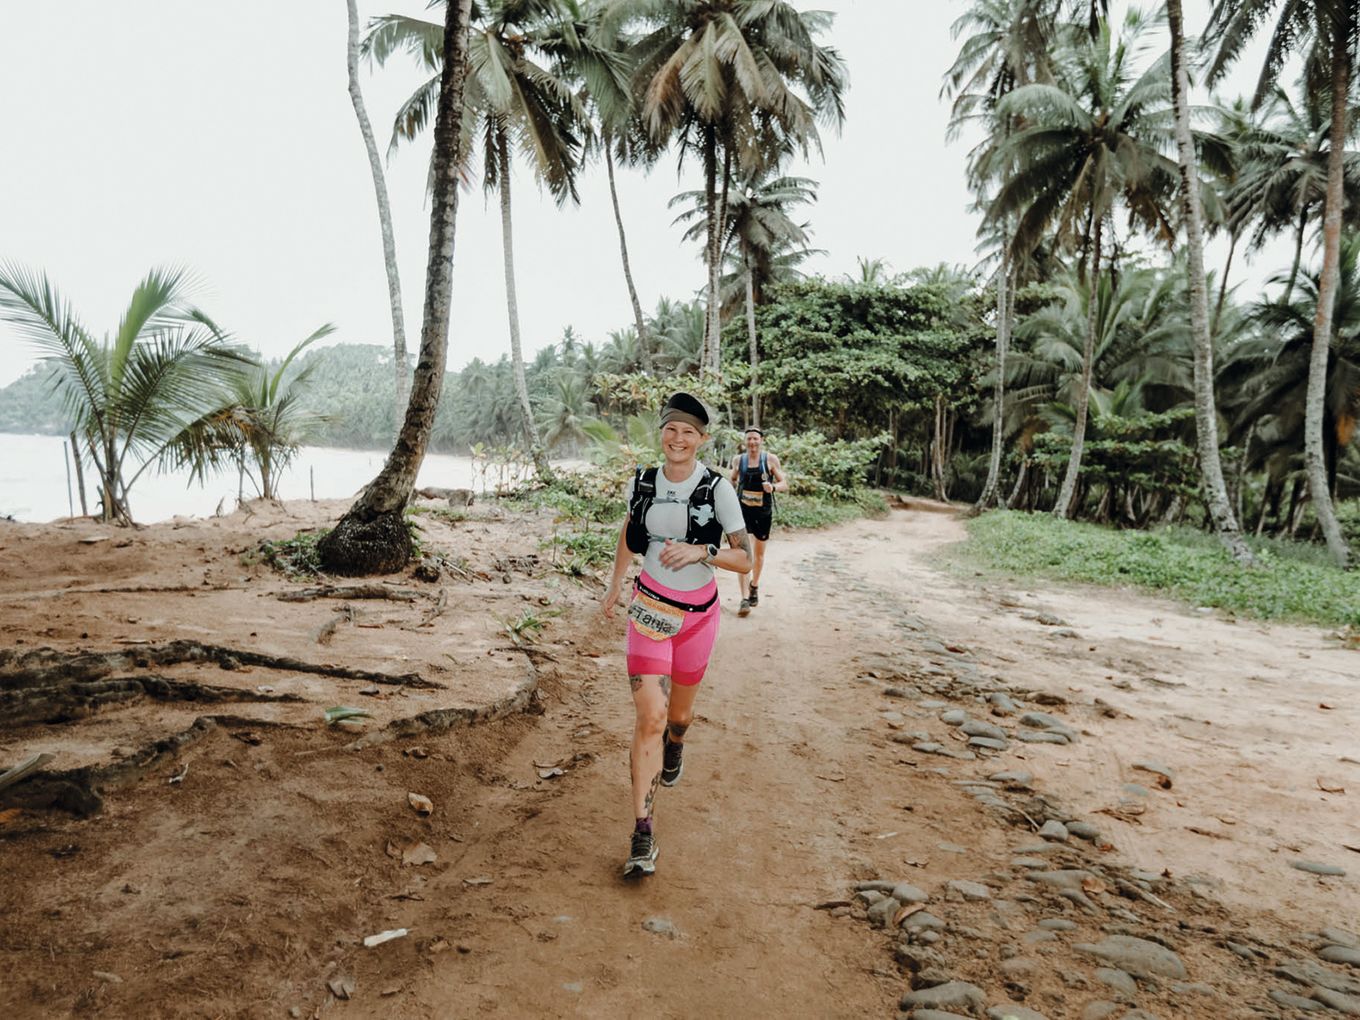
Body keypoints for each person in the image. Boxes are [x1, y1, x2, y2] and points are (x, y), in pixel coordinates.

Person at [602, 392, 752, 878]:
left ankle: (678, 742)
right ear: (662, 433)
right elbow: (630, 531)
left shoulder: (717, 489)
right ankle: (643, 833)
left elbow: (744, 558)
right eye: (671, 429)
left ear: (702, 439)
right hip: (649, 611)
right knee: (650, 717)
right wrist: (615, 584)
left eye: (689, 431)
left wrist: (701, 551)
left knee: (678, 718)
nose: (678, 438)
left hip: (698, 619)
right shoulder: (643, 482)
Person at [727, 428, 788, 616]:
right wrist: (731, 493)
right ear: (745, 441)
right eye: (749, 439)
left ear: (761, 440)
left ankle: (754, 586)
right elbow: (732, 479)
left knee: (759, 555)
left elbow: (785, 483)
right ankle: (744, 599)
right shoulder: (739, 460)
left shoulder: (770, 459)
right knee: (743, 554)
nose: (752, 442)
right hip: (742, 512)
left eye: (755, 438)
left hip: (763, 513)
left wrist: (773, 487)